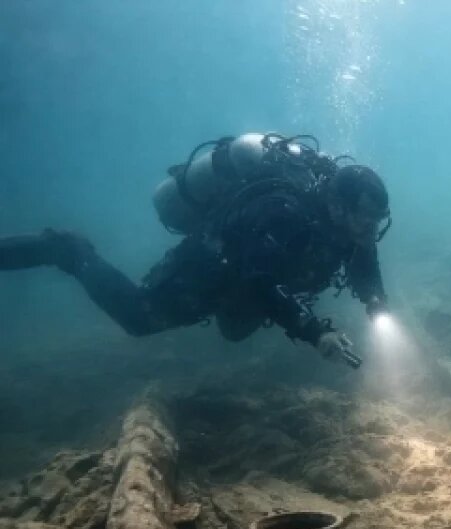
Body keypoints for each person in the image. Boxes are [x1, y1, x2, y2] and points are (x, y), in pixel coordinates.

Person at [0, 133, 392, 368]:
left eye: (375, 222)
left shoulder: (350, 229)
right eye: (364, 220)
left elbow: (363, 262)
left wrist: (376, 302)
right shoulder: (284, 212)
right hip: (214, 266)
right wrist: (312, 331)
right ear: (337, 206)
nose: (369, 231)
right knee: (139, 318)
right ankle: (68, 249)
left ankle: (234, 309)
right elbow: (260, 278)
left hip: (251, 281)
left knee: (235, 331)